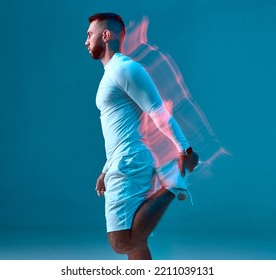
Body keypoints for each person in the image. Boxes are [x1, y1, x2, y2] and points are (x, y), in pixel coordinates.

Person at [85, 12, 199, 260]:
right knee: (136, 245)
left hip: (130, 160)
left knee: (122, 241)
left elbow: (158, 113)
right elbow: (118, 127)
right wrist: (106, 168)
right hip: (121, 160)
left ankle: (172, 182)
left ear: (105, 35)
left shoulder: (126, 69)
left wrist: (185, 150)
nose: (86, 41)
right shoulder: (111, 73)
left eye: (90, 34)